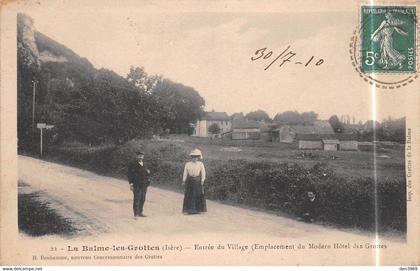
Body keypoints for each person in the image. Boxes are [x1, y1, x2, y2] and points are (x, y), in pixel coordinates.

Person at [127, 150, 150, 219]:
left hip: (144, 184)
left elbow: (147, 172)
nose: (141, 157)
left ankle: (140, 212)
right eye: (139, 155)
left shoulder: (145, 164)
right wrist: (131, 184)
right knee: (137, 198)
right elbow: (129, 174)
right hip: (136, 184)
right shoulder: (133, 164)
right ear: (137, 156)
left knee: (143, 198)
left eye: (142, 156)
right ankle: (136, 214)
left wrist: (148, 178)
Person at [182, 149, 206, 214]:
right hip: (190, 180)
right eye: (193, 157)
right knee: (189, 195)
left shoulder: (200, 164)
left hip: (197, 181)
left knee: (198, 194)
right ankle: (189, 210)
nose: (194, 158)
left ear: (198, 157)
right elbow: (185, 173)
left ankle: (198, 210)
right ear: (191, 157)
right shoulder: (188, 164)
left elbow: (203, 172)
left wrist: (202, 180)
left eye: (196, 157)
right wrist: (184, 180)